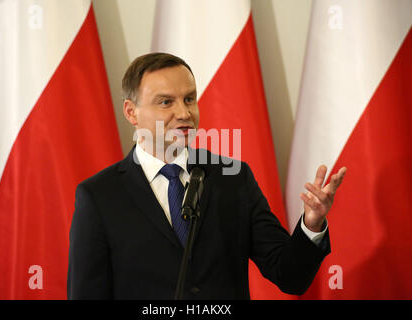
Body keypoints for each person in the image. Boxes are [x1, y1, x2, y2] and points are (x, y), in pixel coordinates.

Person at [67, 52, 346, 299]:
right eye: (166, 102)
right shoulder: (99, 195)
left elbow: (290, 276)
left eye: (189, 99)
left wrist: (312, 223)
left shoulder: (232, 178)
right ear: (132, 112)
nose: (184, 112)